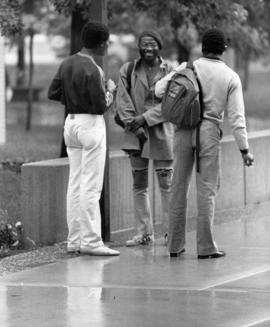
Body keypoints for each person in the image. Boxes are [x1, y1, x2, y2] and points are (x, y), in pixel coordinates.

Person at [155, 28, 254, 259]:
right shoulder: (230, 76)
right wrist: (245, 150)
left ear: (202, 47)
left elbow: (160, 90)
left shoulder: (187, 67)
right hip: (209, 132)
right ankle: (206, 247)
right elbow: (237, 119)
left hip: (183, 130)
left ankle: (175, 246)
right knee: (207, 190)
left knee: (178, 187)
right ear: (224, 49)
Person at [48, 21, 120, 256]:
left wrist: (73, 99)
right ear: (100, 43)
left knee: (75, 184)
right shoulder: (93, 69)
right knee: (91, 186)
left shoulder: (67, 63)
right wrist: (110, 89)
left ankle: (75, 240)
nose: (107, 45)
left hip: (71, 124)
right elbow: (101, 106)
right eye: (106, 42)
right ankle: (91, 241)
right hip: (90, 125)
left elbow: (53, 93)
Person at [116, 30, 175, 246]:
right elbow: (122, 100)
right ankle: (143, 233)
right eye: (144, 45)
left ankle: (171, 233)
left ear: (159, 46)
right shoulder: (129, 69)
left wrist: (145, 119)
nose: (148, 48)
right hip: (135, 136)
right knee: (139, 185)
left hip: (162, 134)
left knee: (166, 185)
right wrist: (134, 124)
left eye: (152, 44)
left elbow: (172, 103)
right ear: (139, 47)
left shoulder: (170, 70)